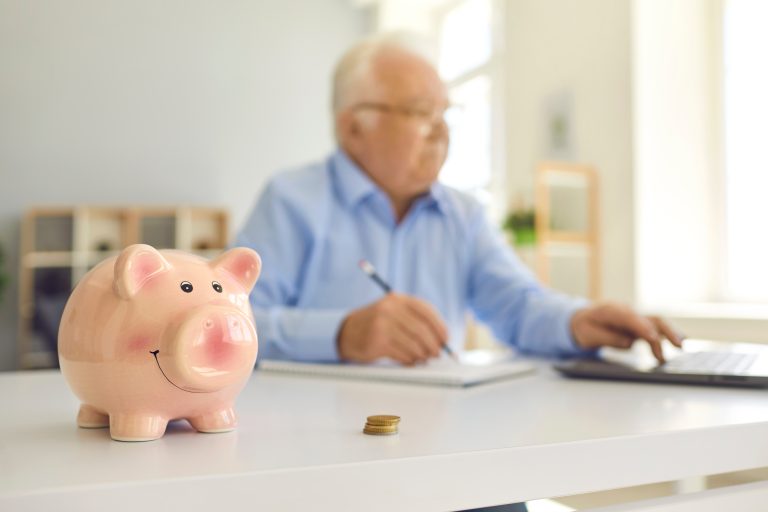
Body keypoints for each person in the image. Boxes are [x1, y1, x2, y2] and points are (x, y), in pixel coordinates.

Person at [234, 33, 683, 368]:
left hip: (440, 435)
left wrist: (578, 320)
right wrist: (340, 335)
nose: (442, 130)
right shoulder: (291, 200)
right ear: (354, 127)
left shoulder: (463, 215)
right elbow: (230, 324)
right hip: (317, 441)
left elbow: (518, 306)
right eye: (420, 112)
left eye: (445, 113)